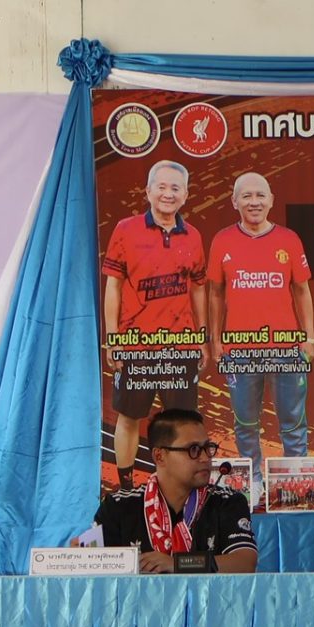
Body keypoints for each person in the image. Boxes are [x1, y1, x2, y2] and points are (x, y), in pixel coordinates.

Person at [99, 160, 205, 481]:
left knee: (180, 423)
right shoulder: (125, 230)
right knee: (129, 417)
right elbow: (113, 287)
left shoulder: (193, 236)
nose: (168, 194)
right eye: (161, 186)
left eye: (175, 188)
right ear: (148, 191)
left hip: (180, 346)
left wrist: (201, 337)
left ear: (185, 195)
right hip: (136, 345)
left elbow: (198, 289)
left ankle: (176, 484)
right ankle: (126, 486)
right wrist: (114, 338)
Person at [206, 171, 314, 463]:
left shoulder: (289, 240)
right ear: (234, 202)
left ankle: (295, 477)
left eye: (260, 195)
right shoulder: (222, 241)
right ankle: (252, 481)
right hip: (240, 349)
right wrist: (215, 340)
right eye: (246, 196)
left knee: (293, 422)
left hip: (285, 347)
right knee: (245, 424)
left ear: (271, 200)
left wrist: (310, 337)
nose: (254, 202)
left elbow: (302, 291)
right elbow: (215, 293)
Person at [82, 408, 257, 573]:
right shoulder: (118, 505)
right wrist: (80, 556)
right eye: (193, 449)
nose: (205, 458)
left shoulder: (228, 501)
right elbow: (89, 559)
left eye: (207, 448)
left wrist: (177, 563)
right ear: (159, 456)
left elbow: (244, 562)